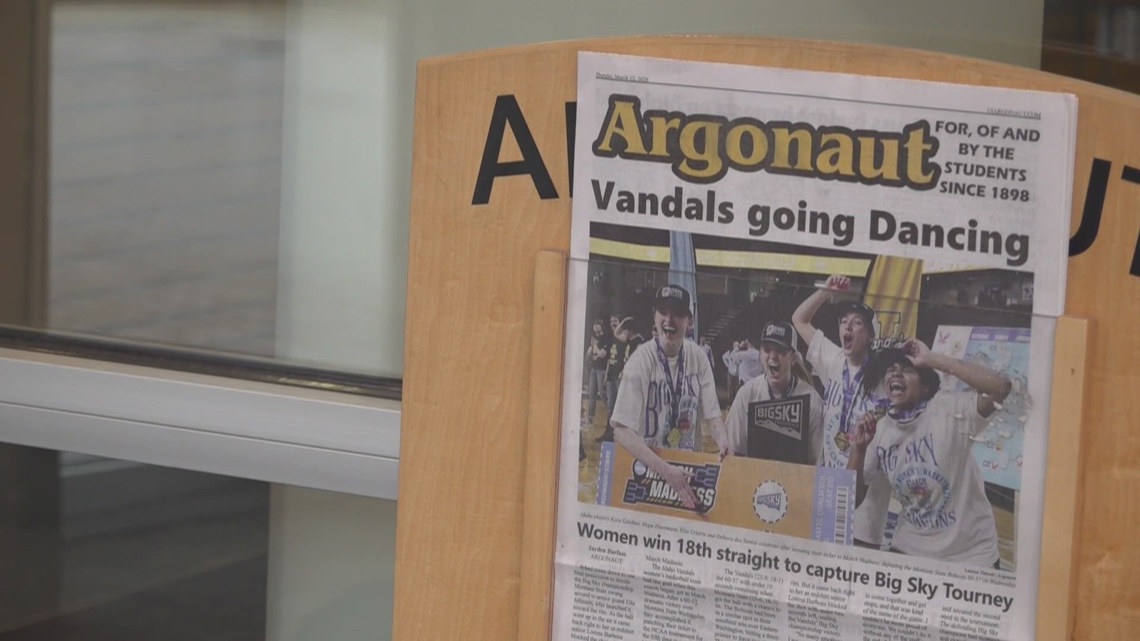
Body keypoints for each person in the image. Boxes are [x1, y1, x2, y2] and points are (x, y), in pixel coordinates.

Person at [846, 339, 1011, 568]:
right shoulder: (879, 428)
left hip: (971, 555)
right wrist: (859, 449)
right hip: (910, 547)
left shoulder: (949, 410)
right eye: (891, 370)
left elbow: (1001, 387)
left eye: (907, 370)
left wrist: (931, 359)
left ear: (926, 387)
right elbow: (850, 500)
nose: (896, 374)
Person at [611, 285, 727, 509]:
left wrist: (723, 440)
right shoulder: (640, 360)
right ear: (654, 317)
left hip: (688, 474)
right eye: (663, 312)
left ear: (689, 321)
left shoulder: (699, 357)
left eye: (678, 313)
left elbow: (713, 417)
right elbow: (621, 432)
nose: (669, 319)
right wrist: (665, 470)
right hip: (648, 472)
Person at [791, 274, 881, 469]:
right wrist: (826, 290)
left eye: (857, 322)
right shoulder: (834, 359)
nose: (847, 325)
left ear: (870, 337)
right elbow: (799, 320)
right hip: (831, 476)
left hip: (868, 489)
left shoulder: (882, 375)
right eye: (843, 321)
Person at [723, 321, 824, 463]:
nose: (773, 356)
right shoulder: (747, 394)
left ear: (794, 358)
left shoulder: (812, 401)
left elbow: (818, 461)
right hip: (755, 480)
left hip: (797, 481)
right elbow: (733, 450)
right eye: (767, 349)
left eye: (781, 350)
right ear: (760, 354)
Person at [598, 316, 643, 443]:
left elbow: (635, 361)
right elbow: (616, 333)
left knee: (624, 408)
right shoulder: (628, 339)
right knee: (612, 407)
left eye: (625, 330)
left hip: (628, 379)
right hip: (619, 376)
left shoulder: (639, 341)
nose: (623, 333)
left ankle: (627, 437)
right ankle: (609, 434)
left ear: (631, 330)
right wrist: (623, 322)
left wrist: (624, 371)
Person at [584, 318, 611, 427]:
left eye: (597, 324)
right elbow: (589, 355)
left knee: (603, 394)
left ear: (602, 326)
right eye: (594, 325)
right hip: (594, 369)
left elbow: (602, 354)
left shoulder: (605, 338)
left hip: (602, 369)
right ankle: (590, 419)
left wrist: (594, 346)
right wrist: (591, 348)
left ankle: (611, 414)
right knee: (592, 394)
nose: (595, 327)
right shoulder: (593, 338)